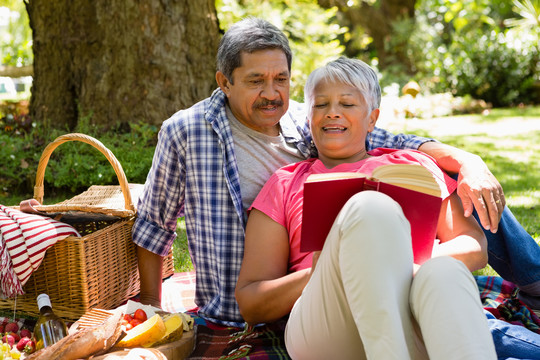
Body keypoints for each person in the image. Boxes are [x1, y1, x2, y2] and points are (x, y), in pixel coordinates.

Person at [132, 16, 540, 327]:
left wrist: (469, 161)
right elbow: (154, 224)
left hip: (362, 268)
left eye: (281, 80)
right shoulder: (186, 132)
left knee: (455, 182)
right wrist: (152, 309)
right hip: (259, 296)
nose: (272, 94)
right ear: (224, 81)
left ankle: (534, 282)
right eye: (256, 81)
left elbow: (381, 138)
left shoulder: (302, 118)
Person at [235, 57, 497, 359]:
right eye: (320, 105)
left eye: (347, 104)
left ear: (372, 119)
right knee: (368, 207)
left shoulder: (413, 165)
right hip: (328, 324)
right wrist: (321, 271)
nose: (332, 113)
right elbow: (251, 303)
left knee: (445, 272)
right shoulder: (285, 183)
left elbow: (475, 246)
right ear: (309, 119)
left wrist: (396, 265)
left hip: (416, 313)